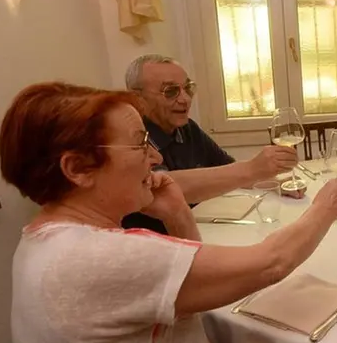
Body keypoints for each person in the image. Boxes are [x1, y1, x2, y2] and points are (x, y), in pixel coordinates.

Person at [2, 82, 337, 343]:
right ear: (78, 168)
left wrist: (177, 214)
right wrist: (326, 207)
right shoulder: (96, 257)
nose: (154, 157)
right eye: (140, 143)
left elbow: (179, 297)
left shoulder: (43, 239)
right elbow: (271, 262)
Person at [122, 54, 300, 234]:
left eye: (188, 88)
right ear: (137, 98)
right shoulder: (129, 137)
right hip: (154, 244)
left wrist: (274, 182)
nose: (185, 99)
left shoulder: (187, 129)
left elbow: (228, 168)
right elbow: (163, 188)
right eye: (170, 91)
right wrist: (253, 168)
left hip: (197, 230)